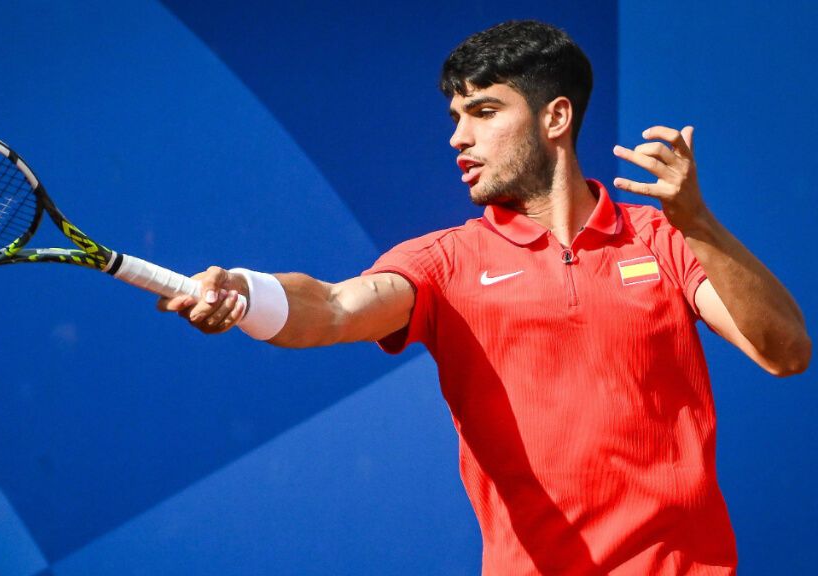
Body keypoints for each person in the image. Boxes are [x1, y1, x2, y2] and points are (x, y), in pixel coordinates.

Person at [157, 20, 811, 575]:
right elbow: (332, 309)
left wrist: (698, 224)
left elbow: (785, 354)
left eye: (484, 111)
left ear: (556, 117)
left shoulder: (661, 239)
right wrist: (243, 292)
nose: (458, 138)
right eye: (455, 117)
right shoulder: (443, 262)